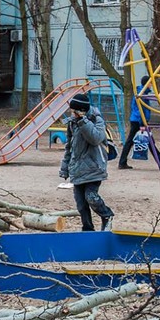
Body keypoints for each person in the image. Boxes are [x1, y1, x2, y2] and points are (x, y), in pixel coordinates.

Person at [59, 93, 115, 231]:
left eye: (74, 111)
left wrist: (83, 121)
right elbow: (69, 146)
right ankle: (88, 228)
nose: (71, 114)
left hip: (94, 167)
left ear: (80, 110)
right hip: (77, 169)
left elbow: (95, 138)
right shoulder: (72, 123)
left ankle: (106, 215)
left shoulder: (97, 120)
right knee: (81, 204)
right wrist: (65, 167)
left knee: (91, 197)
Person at [118, 76, 160, 170]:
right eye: (150, 83)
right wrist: (142, 124)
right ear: (147, 84)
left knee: (139, 141)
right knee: (143, 141)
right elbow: (140, 109)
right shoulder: (141, 94)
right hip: (139, 121)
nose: (151, 85)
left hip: (138, 120)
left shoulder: (142, 92)